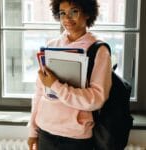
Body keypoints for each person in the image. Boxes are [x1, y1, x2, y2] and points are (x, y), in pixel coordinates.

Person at [28, 0, 112, 150]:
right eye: (62, 13)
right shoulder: (52, 45)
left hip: (75, 139)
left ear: (87, 13)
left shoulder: (98, 50)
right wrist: (32, 130)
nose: (67, 18)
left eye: (74, 11)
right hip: (45, 133)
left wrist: (55, 85)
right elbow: (39, 92)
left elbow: (96, 99)